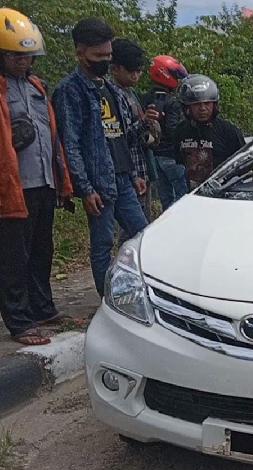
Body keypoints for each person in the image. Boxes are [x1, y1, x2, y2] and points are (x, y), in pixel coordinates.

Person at [52, 18, 148, 296]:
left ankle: (135, 293)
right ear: (80, 52)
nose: (104, 61)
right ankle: (109, 301)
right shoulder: (70, 90)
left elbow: (117, 136)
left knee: (143, 235)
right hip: (98, 182)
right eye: (98, 56)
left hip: (122, 178)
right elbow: (70, 143)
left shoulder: (109, 88)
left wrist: (132, 175)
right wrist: (85, 188)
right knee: (103, 244)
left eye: (108, 56)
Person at [0, 8, 74, 345]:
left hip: (43, 181)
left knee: (42, 250)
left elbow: (52, 137)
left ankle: (42, 307)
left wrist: (62, 179)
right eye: (15, 56)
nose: (22, 62)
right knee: (15, 256)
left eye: (27, 56)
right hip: (13, 187)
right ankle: (19, 320)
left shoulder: (37, 87)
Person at [109, 38, 161, 221]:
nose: (136, 75)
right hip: (129, 173)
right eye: (131, 70)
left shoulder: (132, 94)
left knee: (144, 222)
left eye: (139, 70)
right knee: (132, 230)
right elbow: (120, 137)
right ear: (116, 68)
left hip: (142, 167)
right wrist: (143, 121)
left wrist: (151, 124)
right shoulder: (113, 95)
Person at [174, 74, 246, 188]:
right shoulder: (180, 131)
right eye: (197, 104)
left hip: (224, 193)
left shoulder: (228, 131)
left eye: (207, 103)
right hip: (193, 195)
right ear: (187, 107)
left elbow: (244, 164)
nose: (202, 108)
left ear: (214, 105)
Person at [143, 55, 188, 210]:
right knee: (183, 199)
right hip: (171, 156)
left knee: (166, 200)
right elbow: (172, 130)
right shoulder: (172, 102)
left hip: (154, 156)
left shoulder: (144, 98)